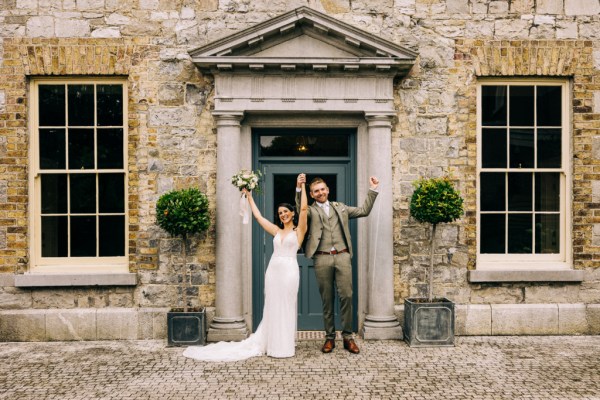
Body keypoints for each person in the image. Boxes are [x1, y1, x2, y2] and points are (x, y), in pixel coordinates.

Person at [183, 183, 308, 362]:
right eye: (280, 213)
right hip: (273, 271)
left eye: (286, 212)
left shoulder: (299, 231)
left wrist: (301, 186)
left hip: (289, 271)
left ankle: (284, 346)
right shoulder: (276, 231)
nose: (283, 214)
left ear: (292, 213)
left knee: (286, 305)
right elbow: (258, 218)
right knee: (272, 306)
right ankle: (272, 344)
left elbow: (304, 208)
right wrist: (249, 197)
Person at [296, 174, 378, 354]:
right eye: (316, 191)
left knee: (347, 296)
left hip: (342, 256)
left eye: (322, 189)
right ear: (311, 194)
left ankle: (348, 337)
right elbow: (300, 209)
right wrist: (299, 188)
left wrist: (372, 189)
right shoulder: (310, 211)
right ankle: (329, 337)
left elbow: (364, 210)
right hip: (322, 257)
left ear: (328, 190)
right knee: (327, 299)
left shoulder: (341, 208)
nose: (320, 193)